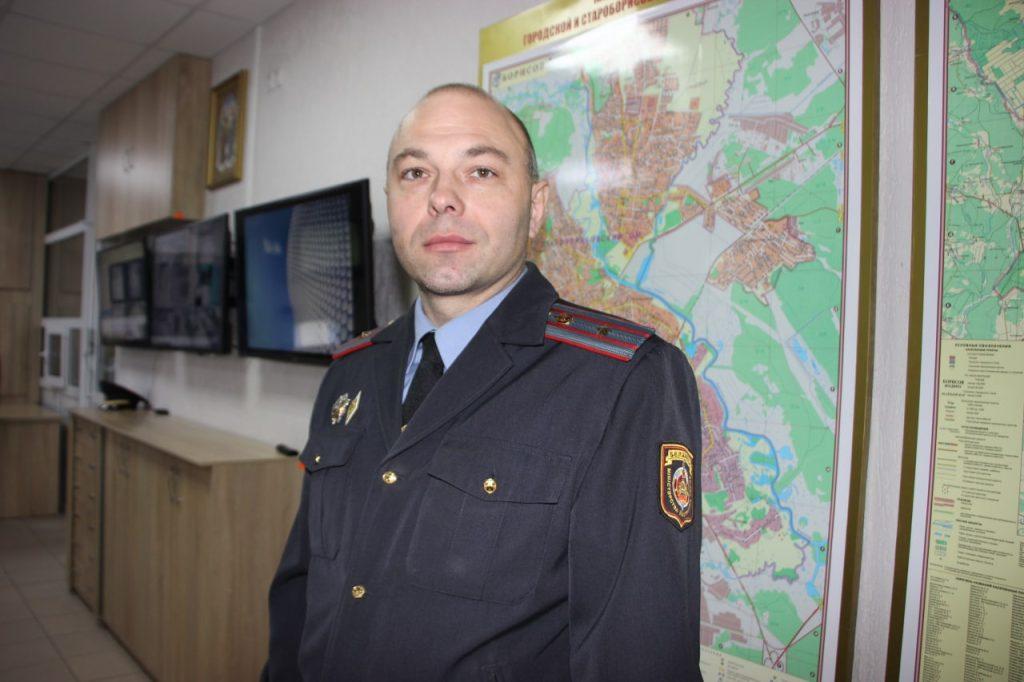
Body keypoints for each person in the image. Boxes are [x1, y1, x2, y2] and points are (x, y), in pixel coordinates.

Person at [263, 83, 703, 681]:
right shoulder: (351, 371)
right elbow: (302, 591)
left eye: (481, 171)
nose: (442, 198)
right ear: (391, 202)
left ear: (536, 205)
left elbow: (638, 653)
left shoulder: (621, 381)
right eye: (416, 173)